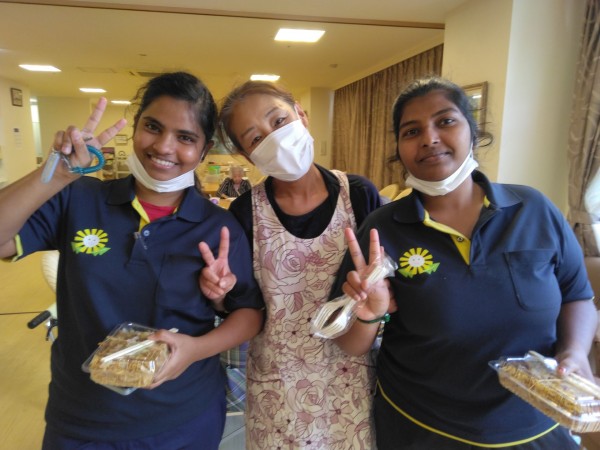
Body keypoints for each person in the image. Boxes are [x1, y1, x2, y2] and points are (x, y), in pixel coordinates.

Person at [0, 72, 264, 449]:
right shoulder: (78, 198)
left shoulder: (219, 227)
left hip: (182, 419)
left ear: (204, 149)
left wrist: (197, 346)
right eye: (152, 127)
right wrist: (56, 174)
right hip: (84, 417)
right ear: (136, 126)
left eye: (185, 137)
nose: (164, 146)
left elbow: (249, 314)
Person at [331, 76, 597, 450]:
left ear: (472, 131)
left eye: (445, 121)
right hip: (424, 429)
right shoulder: (382, 229)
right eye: (411, 131)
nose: (429, 138)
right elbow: (349, 343)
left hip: (537, 425)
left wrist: (575, 350)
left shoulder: (533, 210)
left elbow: (577, 295)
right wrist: (370, 315)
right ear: (399, 149)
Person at [201, 80, 382, 449]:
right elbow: (244, 306)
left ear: (301, 114)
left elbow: (384, 284)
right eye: (256, 138)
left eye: (279, 121)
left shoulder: (359, 194)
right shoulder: (244, 213)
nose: (275, 139)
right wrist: (220, 295)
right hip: (279, 387)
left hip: (352, 378)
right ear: (246, 156)